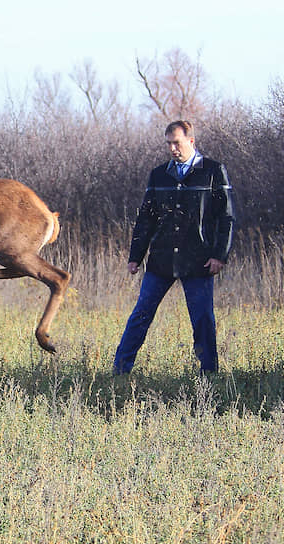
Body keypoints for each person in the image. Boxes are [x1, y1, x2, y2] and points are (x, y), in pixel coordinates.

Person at [113, 120, 235, 376]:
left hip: (198, 260)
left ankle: (209, 375)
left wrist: (219, 255)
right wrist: (136, 256)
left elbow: (226, 217)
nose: (172, 148)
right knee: (141, 315)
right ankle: (119, 372)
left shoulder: (213, 171)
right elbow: (146, 217)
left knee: (202, 320)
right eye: (168, 143)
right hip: (161, 259)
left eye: (176, 142)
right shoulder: (159, 174)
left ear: (191, 141)